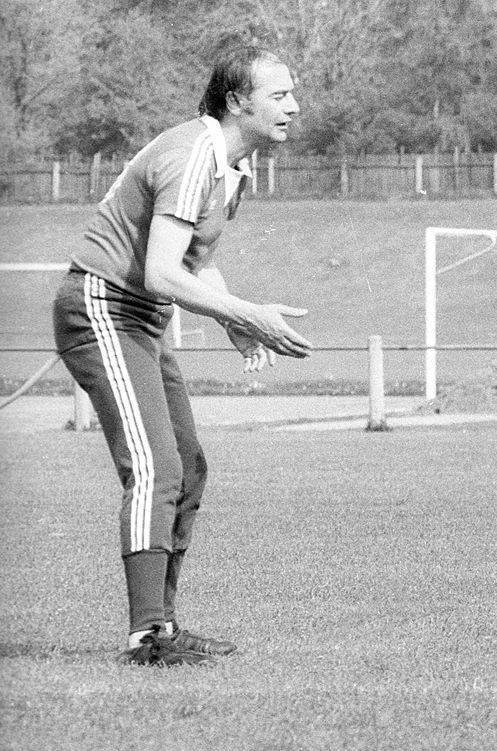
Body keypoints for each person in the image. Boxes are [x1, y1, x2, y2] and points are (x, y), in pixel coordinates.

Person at [52, 46, 313, 665]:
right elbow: (162, 273)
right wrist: (248, 313)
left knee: (188, 470)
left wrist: (233, 325)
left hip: (139, 318)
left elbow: (198, 262)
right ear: (235, 101)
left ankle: (162, 628)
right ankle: (147, 636)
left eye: (292, 94)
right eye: (279, 96)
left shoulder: (233, 169)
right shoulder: (195, 153)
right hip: (100, 309)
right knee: (156, 469)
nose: (294, 107)